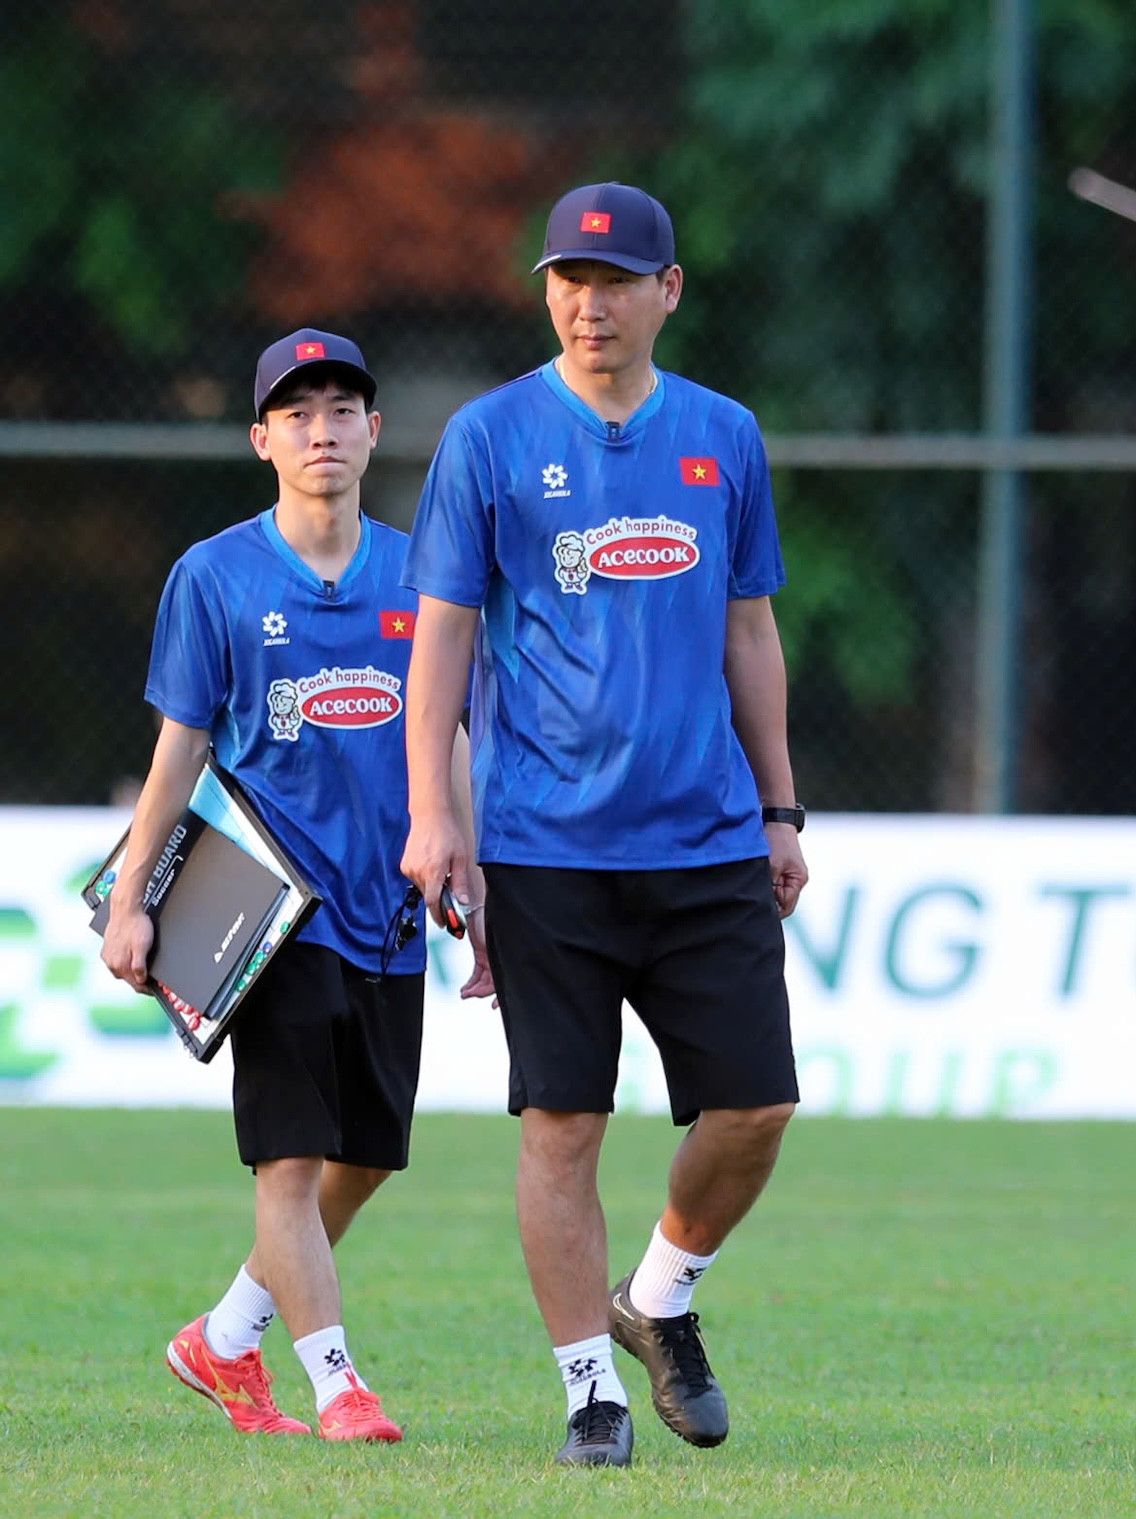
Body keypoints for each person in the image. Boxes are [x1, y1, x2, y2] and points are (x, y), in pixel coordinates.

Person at [400, 181, 807, 1468]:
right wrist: (432, 816)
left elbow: (751, 628)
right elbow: (444, 645)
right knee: (561, 1125)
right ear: (548, 291)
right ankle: (592, 1390)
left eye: (620, 279)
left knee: (755, 1109)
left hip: (707, 839)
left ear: (667, 293)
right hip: (542, 844)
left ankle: (662, 1298)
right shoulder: (488, 436)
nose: (593, 302)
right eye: (572, 279)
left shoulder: (725, 437)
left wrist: (782, 804)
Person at [103, 330, 489, 1443]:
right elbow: (177, 752)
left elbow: (451, 739)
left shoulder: (425, 576)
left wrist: (473, 861)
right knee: (290, 1156)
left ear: (373, 431)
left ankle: (224, 1338)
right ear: (263, 438)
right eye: (299, 411)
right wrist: (132, 898)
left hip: (389, 913)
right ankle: (336, 1383)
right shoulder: (214, 575)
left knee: (365, 1158)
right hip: (268, 915)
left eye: (343, 409)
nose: (323, 429)